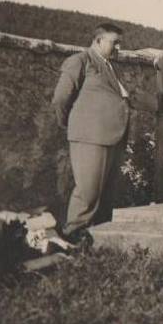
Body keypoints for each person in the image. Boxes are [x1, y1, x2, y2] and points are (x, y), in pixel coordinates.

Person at [52, 23, 130, 243]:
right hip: (90, 138)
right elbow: (60, 98)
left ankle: (98, 242)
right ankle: (72, 238)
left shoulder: (108, 66)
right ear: (98, 41)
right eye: (114, 42)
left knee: (106, 194)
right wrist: (71, 124)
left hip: (112, 138)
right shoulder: (80, 61)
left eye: (119, 43)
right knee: (88, 192)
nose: (118, 48)